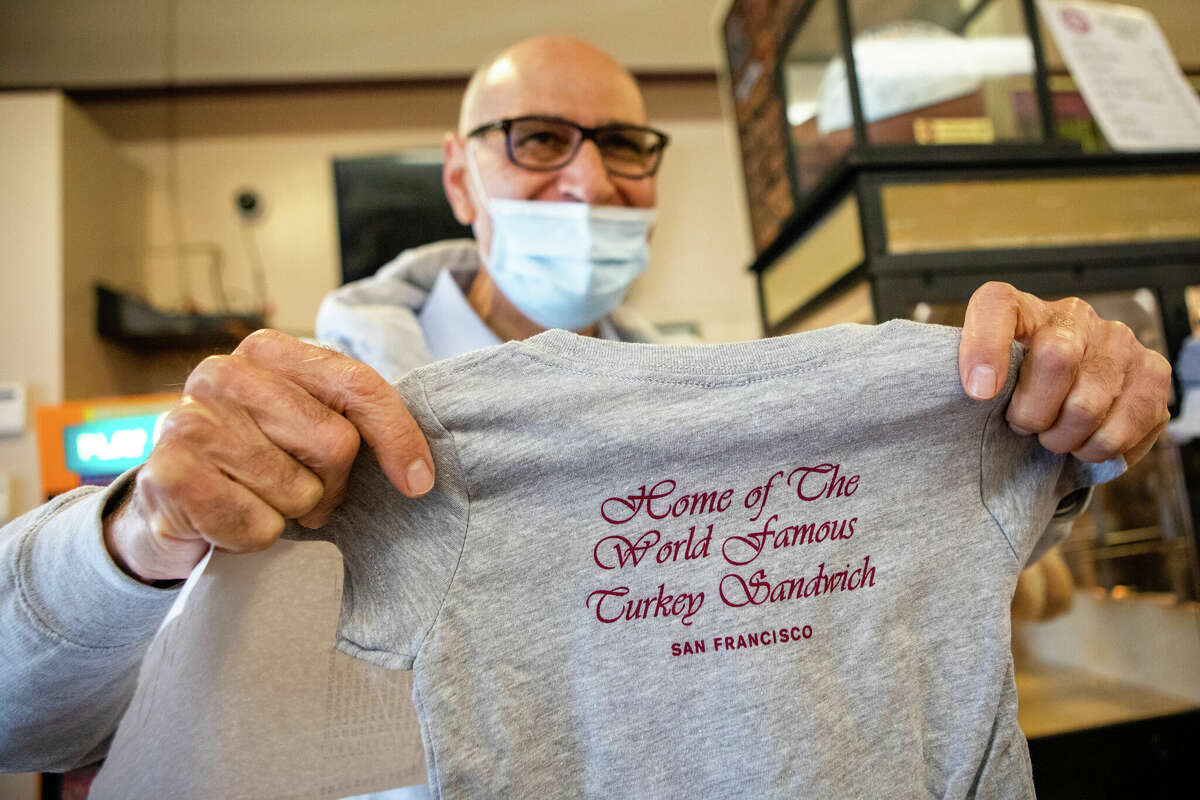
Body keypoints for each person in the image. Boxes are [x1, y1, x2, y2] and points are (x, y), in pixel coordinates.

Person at [0, 34, 1174, 799]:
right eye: (540, 142)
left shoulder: (738, 412)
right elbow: (26, 720)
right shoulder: (281, 427)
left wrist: (1078, 420)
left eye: (624, 146)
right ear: (461, 180)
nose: (587, 182)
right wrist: (132, 536)